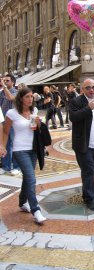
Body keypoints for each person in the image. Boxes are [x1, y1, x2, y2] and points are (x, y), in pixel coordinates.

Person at [3, 87, 46, 224]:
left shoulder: (34, 111)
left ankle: (22, 202)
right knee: (31, 178)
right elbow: (5, 131)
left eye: (31, 96)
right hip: (19, 150)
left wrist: (39, 124)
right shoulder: (11, 113)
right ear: (21, 98)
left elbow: (36, 130)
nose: (30, 99)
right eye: (27, 96)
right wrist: (2, 146)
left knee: (28, 178)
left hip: (33, 149)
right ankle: (36, 210)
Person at [69, 78, 94, 211]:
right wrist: (87, 108)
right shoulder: (76, 101)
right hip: (83, 143)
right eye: (88, 88)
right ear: (82, 90)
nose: (91, 90)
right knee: (89, 169)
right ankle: (90, 199)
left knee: (92, 168)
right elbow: (73, 117)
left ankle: (87, 194)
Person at [0, 74, 21, 176]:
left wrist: (3, 86)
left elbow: (11, 98)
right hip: (3, 122)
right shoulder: (2, 93)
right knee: (5, 145)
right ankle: (6, 166)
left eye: (7, 80)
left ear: (12, 82)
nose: (5, 82)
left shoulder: (16, 92)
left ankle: (17, 167)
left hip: (13, 123)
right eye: (4, 80)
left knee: (15, 144)